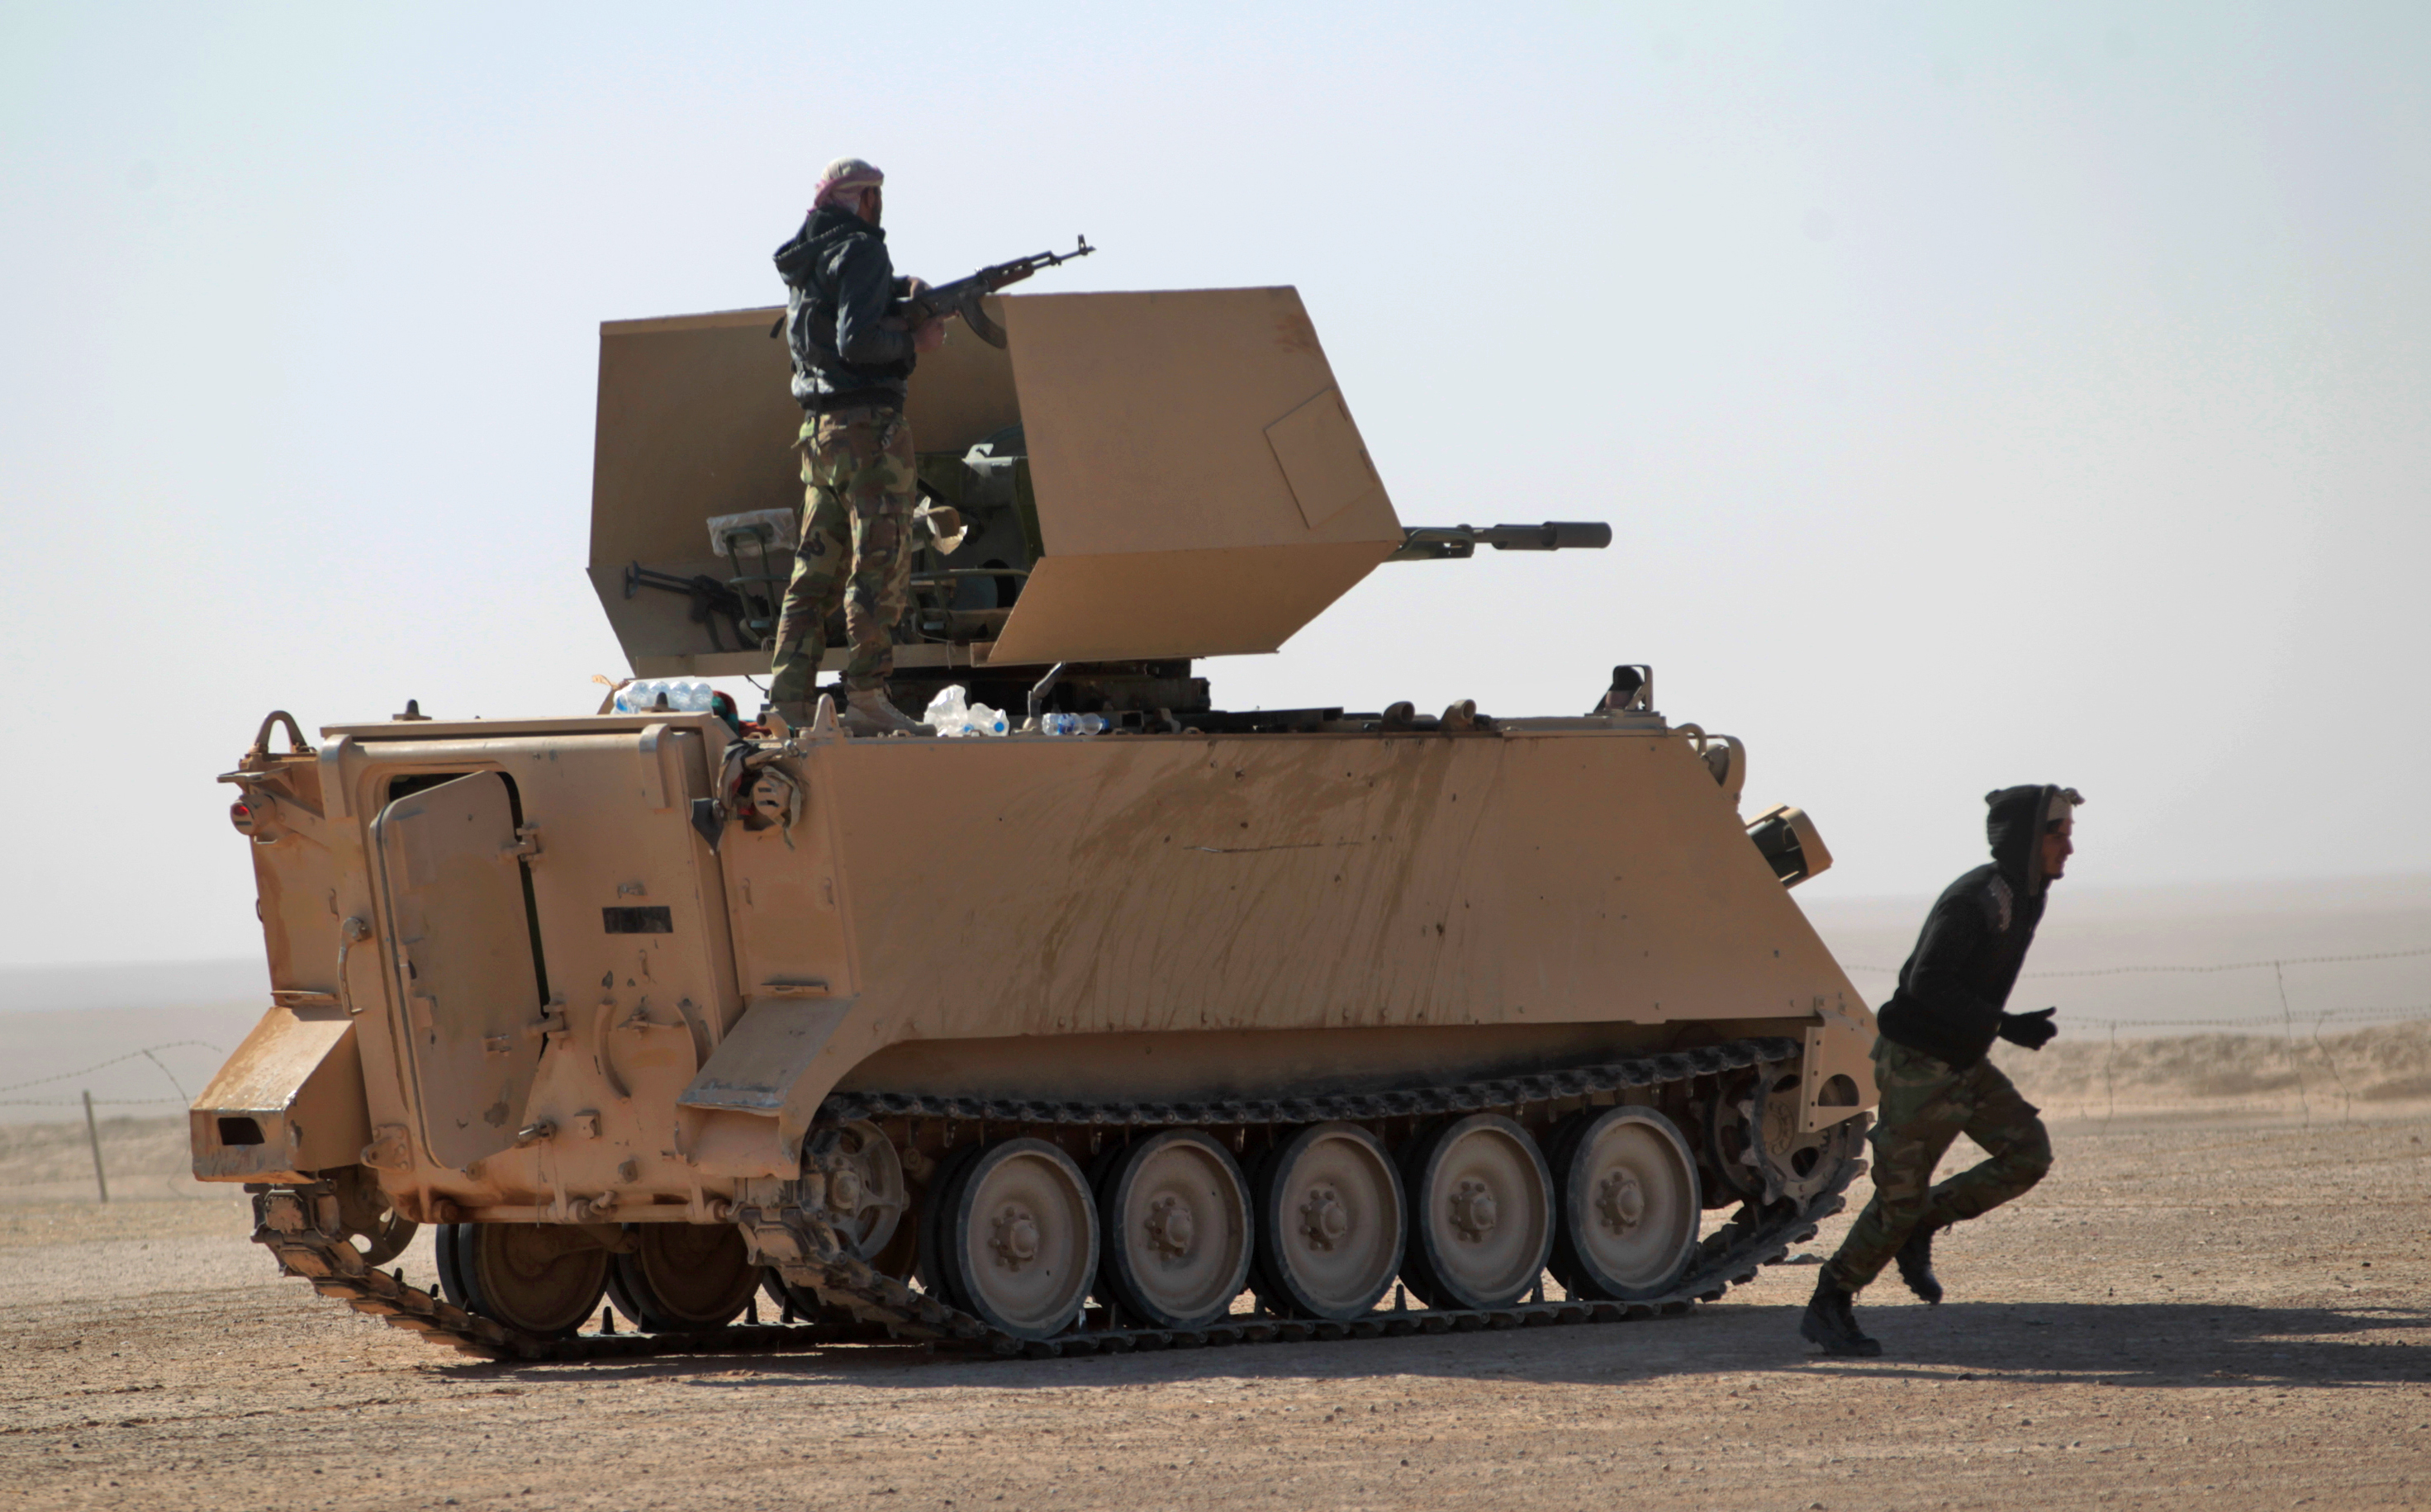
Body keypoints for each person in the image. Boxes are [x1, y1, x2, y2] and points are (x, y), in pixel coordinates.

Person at [1801, 784, 2082, 1357]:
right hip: (1917, 1067)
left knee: (2027, 1154)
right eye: (2058, 834)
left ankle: (1924, 1222)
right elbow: (1926, 982)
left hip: (1963, 1062)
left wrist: (1996, 1027)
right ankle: (1830, 1301)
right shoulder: (1976, 899)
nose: (2069, 848)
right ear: (2028, 839)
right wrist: (2003, 1024)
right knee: (1895, 1203)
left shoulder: (2026, 892)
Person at [766, 157, 947, 737]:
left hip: (819, 436)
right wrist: (915, 340)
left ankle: (787, 703)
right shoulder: (864, 249)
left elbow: (840, 308)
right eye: (875, 196)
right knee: (879, 564)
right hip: (870, 432)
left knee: (813, 574)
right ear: (864, 198)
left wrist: (901, 290)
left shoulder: (807, 257)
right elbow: (859, 341)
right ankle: (867, 695)